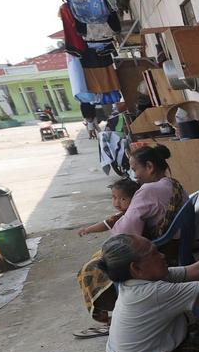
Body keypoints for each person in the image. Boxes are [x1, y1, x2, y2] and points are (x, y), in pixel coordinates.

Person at [75, 144, 188, 337]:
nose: (134, 175)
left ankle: (118, 317)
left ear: (150, 167)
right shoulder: (173, 184)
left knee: (91, 268)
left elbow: (127, 232)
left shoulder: (148, 191)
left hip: (158, 251)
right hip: (177, 244)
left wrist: (115, 223)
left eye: (135, 169)